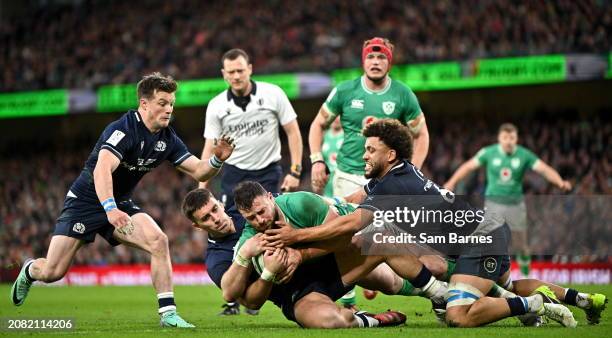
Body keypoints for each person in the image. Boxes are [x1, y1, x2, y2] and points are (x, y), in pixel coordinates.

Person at [264, 119, 577, 328]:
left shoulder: (393, 185)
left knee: (458, 316)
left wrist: (297, 234)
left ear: (391, 154)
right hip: (482, 233)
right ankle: (578, 299)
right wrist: (324, 204)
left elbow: (351, 224)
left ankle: (532, 305)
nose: (365, 156)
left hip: (480, 240)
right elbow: (352, 201)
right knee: (498, 285)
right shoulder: (394, 175)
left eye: (371, 150)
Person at [10, 72, 235, 328]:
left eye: (171, 103)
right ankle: (29, 270)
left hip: (119, 203)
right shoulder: (122, 129)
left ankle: (168, 314)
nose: (169, 109)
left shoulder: (167, 138)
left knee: (158, 241)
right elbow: (101, 169)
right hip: (86, 202)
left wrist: (217, 159)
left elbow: (198, 170)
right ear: (144, 104)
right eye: (162, 103)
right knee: (52, 272)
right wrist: (109, 208)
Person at [226, 181, 453, 328]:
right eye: (251, 218)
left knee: (394, 258)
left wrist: (300, 252)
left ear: (270, 197)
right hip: (301, 294)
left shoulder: (302, 204)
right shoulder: (251, 242)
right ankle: (371, 320)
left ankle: (441, 294)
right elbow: (248, 301)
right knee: (335, 321)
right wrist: (267, 273)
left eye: (261, 212)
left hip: (334, 264)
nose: (260, 221)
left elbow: (344, 238)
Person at [309, 37, 429, 308]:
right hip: (348, 175)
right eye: (371, 58)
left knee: (392, 245)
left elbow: (421, 135)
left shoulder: (403, 94)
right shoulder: (345, 91)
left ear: (389, 62)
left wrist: (413, 170)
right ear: (363, 61)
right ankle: (349, 304)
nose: (376, 62)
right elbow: (318, 124)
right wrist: (317, 160)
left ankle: (430, 289)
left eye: (382, 57)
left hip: (386, 181)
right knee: (344, 239)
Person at [444, 123, 572, 277]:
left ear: (516, 139)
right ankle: (479, 273)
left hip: (515, 206)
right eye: (505, 137)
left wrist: (560, 182)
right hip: (493, 204)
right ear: (499, 138)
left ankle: (526, 276)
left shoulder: (524, 155)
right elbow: (468, 167)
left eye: (512, 138)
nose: (508, 141)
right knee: (486, 239)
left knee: (520, 245)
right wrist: (451, 182)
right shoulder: (488, 153)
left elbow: (544, 169)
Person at [200, 48, 303, 206]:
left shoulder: (273, 94)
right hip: (234, 174)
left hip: (268, 173)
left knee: (269, 226)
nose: (236, 76)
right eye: (231, 71)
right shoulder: (216, 105)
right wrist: (202, 190)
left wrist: (295, 172)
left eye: (240, 70)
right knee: (233, 228)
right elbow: (209, 148)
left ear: (250, 69)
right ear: (224, 74)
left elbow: (293, 132)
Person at [181, 188, 258, 316]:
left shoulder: (244, 208)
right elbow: (244, 300)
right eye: (206, 218)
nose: (216, 219)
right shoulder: (216, 260)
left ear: (221, 204)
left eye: (215, 209)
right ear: (198, 226)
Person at [316, 116, 343, 197]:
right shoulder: (324, 135)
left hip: (342, 182)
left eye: (339, 116)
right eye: (334, 116)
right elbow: (319, 159)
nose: (336, 119)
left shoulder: (348, 136)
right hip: (327, 184)